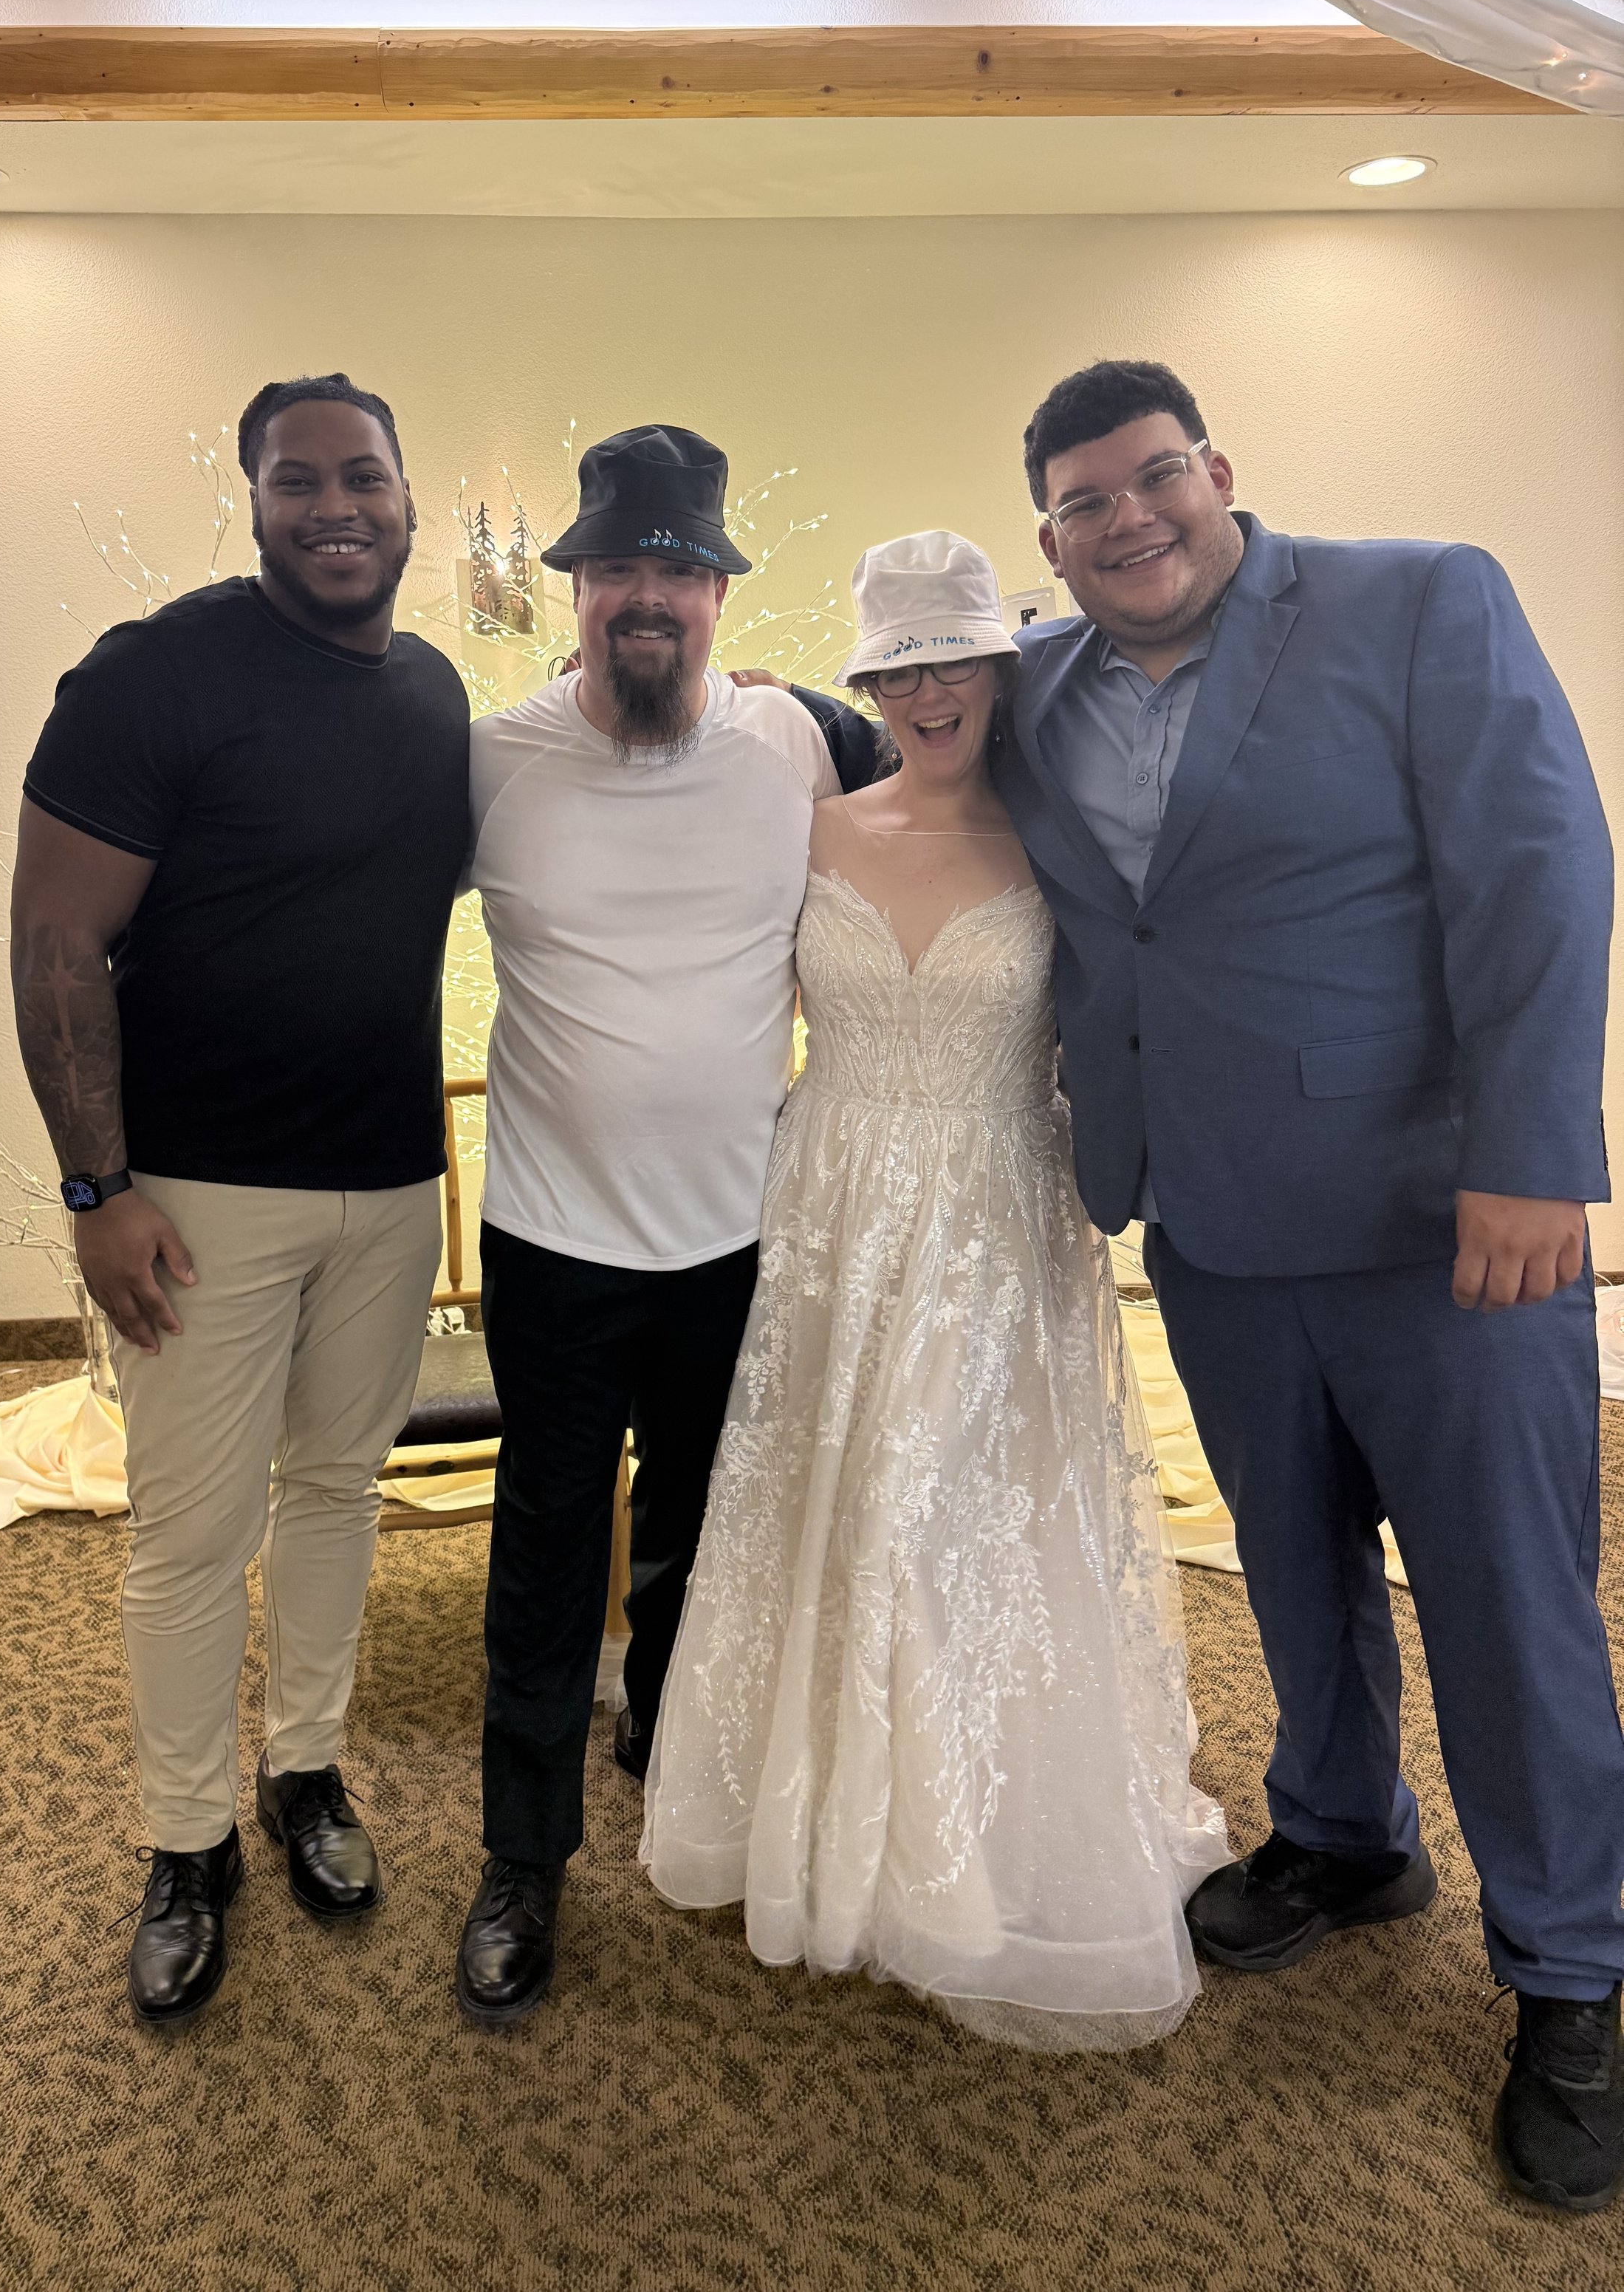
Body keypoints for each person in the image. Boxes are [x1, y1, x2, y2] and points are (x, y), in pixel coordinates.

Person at [993, 358, 1623, 2206]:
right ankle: (1344, 1832)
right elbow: (914, 732)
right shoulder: (1036, 680)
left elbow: (1538, 866)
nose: (1126, 521)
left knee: (1508, 1600)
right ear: (1048, 535)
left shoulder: (1418, 597)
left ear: (1215, 471)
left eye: (1150, 478)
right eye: (1082, 503)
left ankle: (1571, 1965)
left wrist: (1528, 1155)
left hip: (1447, 1220)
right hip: (1208, 1215)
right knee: (1288, 1552)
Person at [642, 531, 1229, 2045]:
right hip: (826, 1208)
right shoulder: (812, 832)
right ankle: (829, 1825)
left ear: (998, 668)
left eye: (952, 658)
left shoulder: (1072, 843)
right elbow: (715, 1006)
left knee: (951, 1519)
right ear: (867, 683)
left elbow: (1141, 1020)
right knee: (834, 1509)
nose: (926, 689)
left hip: (990, 1213)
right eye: (897, 664)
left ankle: (956, 1857)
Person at [11, 373, 468, 2027]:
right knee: (194, 1534)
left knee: (340, 1489)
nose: (333, 505)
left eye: (362, 476)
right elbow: (57, 941)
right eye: (298, 481)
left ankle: (306, 1775)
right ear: (256, 499)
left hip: (389, 1182)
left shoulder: (431, 692)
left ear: (408, 495)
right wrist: (96, 1186)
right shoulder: (155, 675)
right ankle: (185, 1842)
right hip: (196, 1193)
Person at [456, 424, 839, 2026]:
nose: (646, 596)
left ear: (717, 592)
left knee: (704, 1523)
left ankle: (673, 1758)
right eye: (615, 565)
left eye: (677, 569)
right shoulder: (488, 759)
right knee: (551, 1543)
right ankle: (521, 1862)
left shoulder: (804, 746)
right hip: (550, 1238)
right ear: (574, 587)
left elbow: (947, 869)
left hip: (735, 1240)